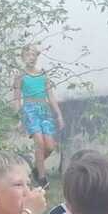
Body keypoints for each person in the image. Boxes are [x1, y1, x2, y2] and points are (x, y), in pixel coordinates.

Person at [14, 45, 64, 187]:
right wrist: (19, 118)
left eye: (33, 55)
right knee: (40, 143)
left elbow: (51, 96)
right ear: (23, 57)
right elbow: (16, 99)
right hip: (30, 111)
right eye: (28, 55)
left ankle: (36, 168)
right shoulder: (20, 76)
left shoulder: (43, 74)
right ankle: (42, 178)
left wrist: (59, 115)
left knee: (50, 147)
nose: (31, 57)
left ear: (37, 57)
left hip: (44, 111)